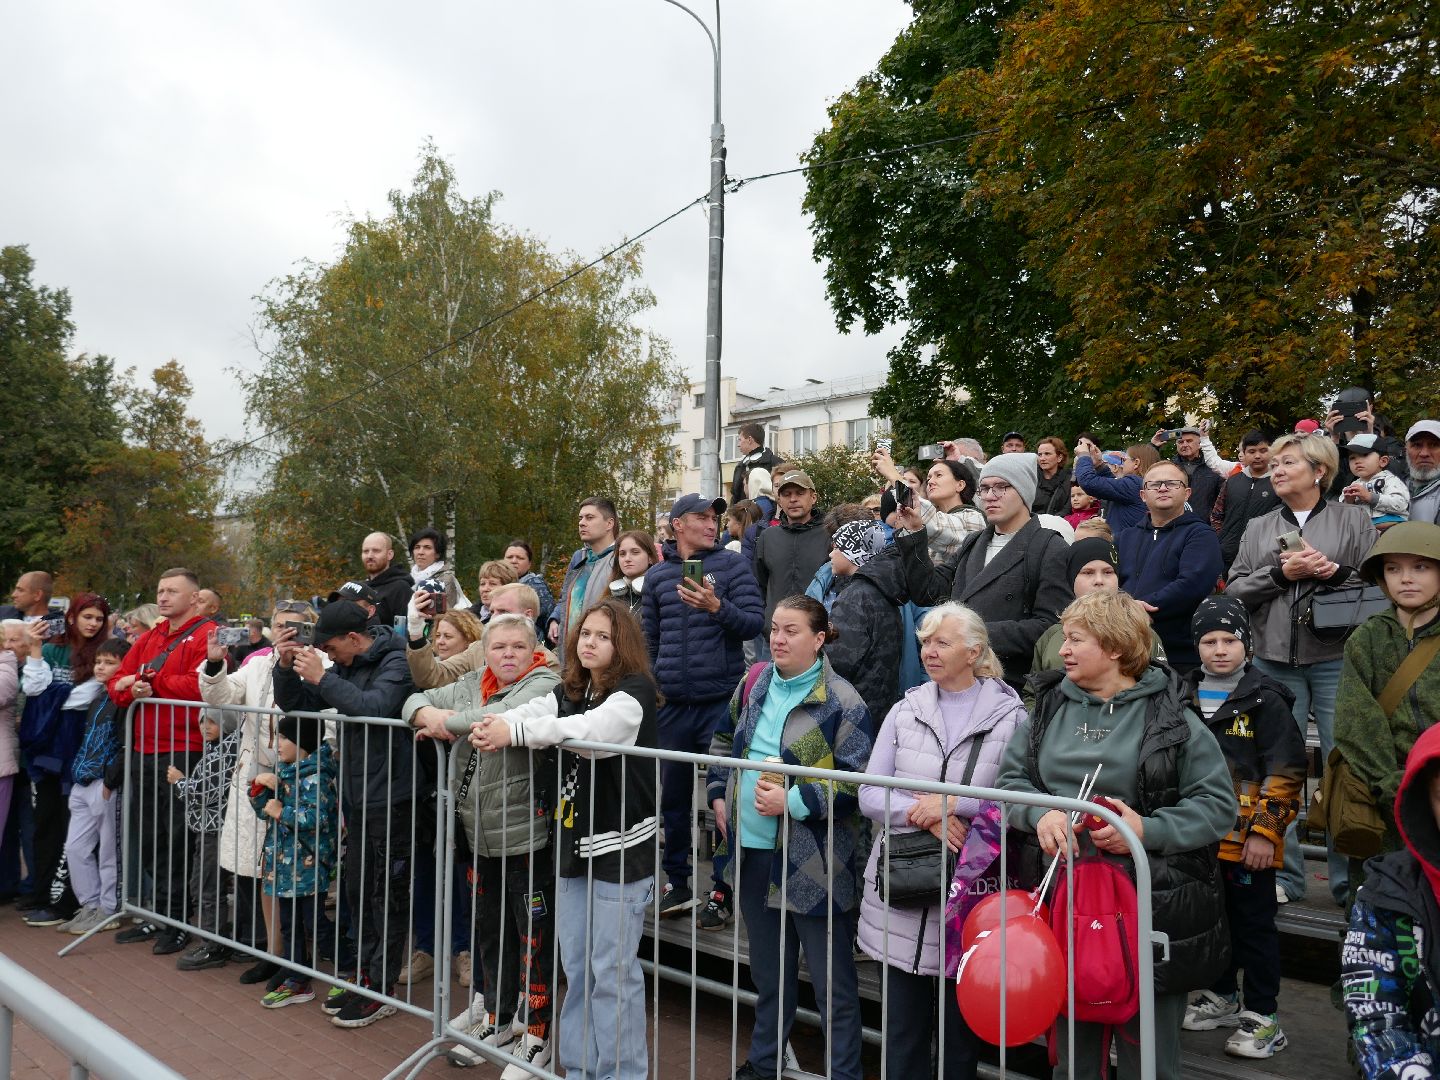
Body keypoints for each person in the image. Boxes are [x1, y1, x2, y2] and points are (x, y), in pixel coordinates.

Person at [996, 589, 1235, 1080]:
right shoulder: (1047, 707)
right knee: (1072, 1055)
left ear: (1116, 647)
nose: (1062, 649)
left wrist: (1144, 830)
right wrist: (1039, 814)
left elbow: (1217, 806)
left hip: (1150, 901)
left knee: (1146, 1059)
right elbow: (1007, 785)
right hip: (1061, 894)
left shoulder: (1174, 718)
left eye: (1076, 639)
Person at [469, 599, 659, 1080]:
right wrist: (488, 720)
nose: (590, 643)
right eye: (585, 634)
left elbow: (591, 736)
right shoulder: (568, 688)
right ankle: (575, 1070)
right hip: (572, 847)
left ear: (623, 646)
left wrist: (514, 731)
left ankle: (620, 1074)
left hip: (621, 850)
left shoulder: (633, 691)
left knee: (612, 973)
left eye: (603, 636)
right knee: (576, 969)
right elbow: (529, 707)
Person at [706, 595, 874, 1080]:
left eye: (792, 630)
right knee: (769, 976)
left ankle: (844, 1074)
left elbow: (857, 779)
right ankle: (763, 1066)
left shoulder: (844, 701)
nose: (778, 639)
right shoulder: (754, 680)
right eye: (775, 629)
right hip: (751, 854)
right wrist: (719, 791)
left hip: (814, 863)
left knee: (832, 987)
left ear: (819, 639)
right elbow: (722, 738)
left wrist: (794, 802)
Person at [858, 603, 1024, 1080]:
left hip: (970, 895)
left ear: (973, 651)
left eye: (941, 642)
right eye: (926, 641)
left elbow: (1017, 800)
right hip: (903, 889)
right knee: (902, 1031)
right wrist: (925, 814)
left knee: (959, 1035)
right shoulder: (905, 709)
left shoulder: (1010, 717)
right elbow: (870, 793)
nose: (929, 651)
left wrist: (955, 805)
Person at [405, 613, 561, 1076]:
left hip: (527, 837)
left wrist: (442, 722)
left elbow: (496, 720)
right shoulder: (472, 680)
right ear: (485, 650)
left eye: (518, 646)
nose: (508, 655)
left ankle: (538, 1035)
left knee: (533, 941)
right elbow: (413, 697)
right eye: (499, 647)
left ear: (533, 649)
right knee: (490, 935)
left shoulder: (545, 682)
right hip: (476, 837)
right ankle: (496, 1020)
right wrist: (426, 714)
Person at [1227, 432, 1376, 905]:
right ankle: (1284, 874)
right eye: (1273, 463)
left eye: (1287, 461)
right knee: (1279, 769)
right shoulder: (1259, 527)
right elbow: (1233, 591)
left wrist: (1330, 572)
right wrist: (1280, 574)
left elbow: (1376, 589)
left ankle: (1348, 881)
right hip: (1272, 660)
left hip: (1336, 661)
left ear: (1319, 471)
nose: (1276, 469)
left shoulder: (1353, 519)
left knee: (1342, 767)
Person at [272, 599, 416, 1029]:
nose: (329, 656)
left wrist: (326, 676)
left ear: (355, 638)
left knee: (385, 895)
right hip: (359, 796)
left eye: (332, 648)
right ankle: (366, 976)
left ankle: (382, 988)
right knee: (357, 892)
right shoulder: (346, 665)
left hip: (394, 796)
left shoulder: (397, 661)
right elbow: (295, 704)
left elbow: (373, 706)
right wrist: (285, 667)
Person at [1180, 597, 1306, 1058]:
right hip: (1196, 838)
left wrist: (1264, 833)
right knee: (1212, 922)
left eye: (1229, 640)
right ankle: (1223, 997)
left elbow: (1287, 772)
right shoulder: (1182, 695)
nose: (1219, 649)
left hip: (1247, 841)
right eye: (1208, 641)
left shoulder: (1266, 700)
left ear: (1247, 646)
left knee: (1253, 926)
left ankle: (1263, 1015)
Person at [641, 493, 764, 927]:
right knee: (672, 799)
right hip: (672, 705)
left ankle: (722, 890)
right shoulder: (656, 578)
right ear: (677, 524)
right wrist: (655, 685)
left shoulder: (731, 567)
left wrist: (717, 607)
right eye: (701, 518)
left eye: (715, 518)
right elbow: (648, 640)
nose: (712, 524)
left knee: (724, 801)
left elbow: (754, 622)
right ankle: (677, 882)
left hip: (719, 702)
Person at [199, 600, 329, 986]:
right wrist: (213, 662)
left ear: (309, 628)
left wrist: (308, 769)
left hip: (304, 780)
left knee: (301, 876)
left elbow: (330, 726)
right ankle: (274, 953)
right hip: (257, 778)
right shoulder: (257, 664)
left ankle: (299, 959)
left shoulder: (322, 663)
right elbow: (221, 698)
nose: (288, 632)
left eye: (296, 626)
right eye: (281, 625)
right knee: (264, 870)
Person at [891, 452, 1072, 690]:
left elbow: (1050, 627)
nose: (989, 496)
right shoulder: (974, 542)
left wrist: (970, 635)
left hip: (1010, 685)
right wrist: (915, 533)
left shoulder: (1050, 547)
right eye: (984, 488)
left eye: (1001, 487)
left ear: (1024, 491)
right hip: (960, 680)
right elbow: (928, 592)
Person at [1334, 522, 1440, 866]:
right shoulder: (1367, 639)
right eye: (1393, 568)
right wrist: (1391, 783)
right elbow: (1355, 722)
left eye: (1420, 567)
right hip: (1384, 796)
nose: (1406, 578)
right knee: (1385, 894)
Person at [397, 606, 483, 990]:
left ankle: (464, 950)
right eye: (437, 637)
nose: (441, 643)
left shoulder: (480, 680)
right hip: (427, 791)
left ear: (469, 642)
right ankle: (426, 948)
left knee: (463, 876)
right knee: (427, 870)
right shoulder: (426, 682)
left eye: (448, 636)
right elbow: (409, 706)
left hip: (467, 794)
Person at [19, 591, 112, 927]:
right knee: (44, 823)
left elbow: (73, 699)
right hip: (44, 750)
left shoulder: (102, 653)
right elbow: (32, 688)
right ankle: (42, 893)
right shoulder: (52, 645)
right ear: (71, 616)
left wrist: (50, 692)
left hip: (77, 748)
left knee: (70, 827)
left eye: (99, 618)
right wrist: (34, 648)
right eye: (87, 616)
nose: (93, 623)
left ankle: (66, 900)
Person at [251, 715, 339, 1010]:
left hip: (309, 867)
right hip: (286, 868)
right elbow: (266, 812)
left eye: (284, 738)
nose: (277, 745)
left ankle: (351, 973)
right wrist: (260, 792)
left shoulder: (317, 777)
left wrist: (281, 811)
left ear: (302, 743)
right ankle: (297, 978)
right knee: (289, 925)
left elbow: (317, 819)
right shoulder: (287, 772)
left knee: (316, 925)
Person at [1116, 461, 1224, 674]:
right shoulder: (1124, 538)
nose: (1163, 488)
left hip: (1178, 653)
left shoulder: (1200, 535)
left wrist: (1140, 608)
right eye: (1154, 484)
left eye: (1171, 483)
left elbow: (1193, 584)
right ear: (1143, 495)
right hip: (1126, 646)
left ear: (1187, 493)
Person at [1028, 537, 1166, 703]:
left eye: (1108, 572)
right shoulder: (1051, 636)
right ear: (1072, 579)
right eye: (1088, 572)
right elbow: (1033, 693)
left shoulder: (1141, 632)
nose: (1099, 581)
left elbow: (1162, 688)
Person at [56, 636, 130, 936]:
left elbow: (127, 745)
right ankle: (90, 903)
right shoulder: (98, 696)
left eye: (110, 662)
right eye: (99, 661)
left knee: (109, 850)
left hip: (104, 783)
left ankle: (108, 908)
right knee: (75, 848)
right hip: (84, 780)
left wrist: (111, 781)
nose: (101, 667)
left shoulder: (126, 702)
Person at [166, 709, 242, 972]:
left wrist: (179, 781)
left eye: (212, 721)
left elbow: (205, 792)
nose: (205, 727)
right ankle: (213, 938)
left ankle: (214, 943)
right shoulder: (217, 748)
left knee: (206, 885)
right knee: (204, 884)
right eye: (202, 722)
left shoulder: (224, 752)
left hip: (214, 829)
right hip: (209, 828)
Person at [826, 519, 905, 726]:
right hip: (880, 705)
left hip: (853, 708)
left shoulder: (854, 596)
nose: (831, 554)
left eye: (838, 548)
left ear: (854, 552)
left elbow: (839, 661)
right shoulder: (884, 589)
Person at [872, 447, 984, 565]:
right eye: (929, 478)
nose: (930, 481)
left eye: (939, 475)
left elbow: (936, 526)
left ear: (960, 485)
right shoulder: (929, 520)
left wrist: (893, 475)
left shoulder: (974, 517)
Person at [755, 470, 829, 625]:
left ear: (813, 497)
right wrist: (766, 623)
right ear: (779, 500)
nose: (793, 499)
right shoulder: (767, 537)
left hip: (817, 633)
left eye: (800, 493)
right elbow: (759, 586)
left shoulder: (829, 534)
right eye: (787, 494)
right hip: (775, 635)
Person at [547, 498, 618, 656]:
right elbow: (565, 598)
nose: (582, 523)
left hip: (602, 653)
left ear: (609, 523)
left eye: (590, 518)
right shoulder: (579, 557)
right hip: (571, 651)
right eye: (580, 518)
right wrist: (555, 618)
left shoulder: (621, 559)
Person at [1210, 430, 1276, 576]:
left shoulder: (1279, 482)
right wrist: (1222, 540)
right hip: (1228, 554)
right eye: (1251, 451)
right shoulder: (1232, 481)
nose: (1257, 456)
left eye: (1263, 450)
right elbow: (1216, 515)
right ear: (1244, 454)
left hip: (1263, 557)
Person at [1072, 438, 1159, 534]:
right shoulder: (1141, 484)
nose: (1122, 463)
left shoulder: (1133, 484)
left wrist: (1083, 455)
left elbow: (1088, 482)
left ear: (1136, 463)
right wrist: (1099, 465)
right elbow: (1112, 485)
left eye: (1124, 460)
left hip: (1125, 546)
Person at [1154, 426, 1224, 522]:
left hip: (1204, 526)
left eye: (1189, 441)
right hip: (1173, 525)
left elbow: (1223, 501)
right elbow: (1148, 474)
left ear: (1199, 444)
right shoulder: (1169, 468)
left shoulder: (1214, 468)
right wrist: (1154, 446)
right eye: (1180, 442)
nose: (1185, 444)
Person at [1341, 434, 1411, 528]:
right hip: (1365, 530)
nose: (1357, 461)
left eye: (1364, 455)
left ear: (1383, 461)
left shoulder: (1390, 480)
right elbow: (1342, 514)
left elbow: (1401, 503)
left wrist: (1371, 497)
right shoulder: (1352, 485)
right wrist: (1349, 502)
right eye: (1352, 458)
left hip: (1392, 528)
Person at [409, 526, 472, 611]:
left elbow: (446, 615)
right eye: (417, 547)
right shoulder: (409, 579)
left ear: (438, 553)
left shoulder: (446, 579)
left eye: (427, 547)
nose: (420, 552)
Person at [361, 531, 415, 625]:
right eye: (366, 551)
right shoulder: (360, 588)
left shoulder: (400, 588)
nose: (369, 556)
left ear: (390, 554)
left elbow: (404, 632)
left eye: (376, 551)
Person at [502, 539, 556, 630]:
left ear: (529, 564)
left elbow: (547, 617)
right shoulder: (496, 583)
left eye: (520, 558)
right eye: (510, 557)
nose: (514, 561)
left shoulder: (536, 586)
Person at [730, 422, 785, 505]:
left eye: (740, 440)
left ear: (749, 439)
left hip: (770, 516)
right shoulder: (740, 466)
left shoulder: (777, 463)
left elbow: (785, 493)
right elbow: (735, 497)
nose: (738, 445)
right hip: (743, 516)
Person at [608, 528, 658, 617]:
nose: (627, 559)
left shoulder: (660, 596)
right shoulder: (609, 599)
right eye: (622, 554)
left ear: (650, 558)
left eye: (635, 552)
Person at [1406, 420, 1440, 524]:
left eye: (1434, 445)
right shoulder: (1393, 485)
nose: (1424, 453)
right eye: (1417, 445)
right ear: (1406, 450)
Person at [1033, 436, 1072, 516]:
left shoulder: (1070, 480)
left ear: (1059, 457)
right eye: (1040, 455)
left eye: (1047, 454)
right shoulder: (1031, 478)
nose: (1042, 458)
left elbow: (1068, 509)